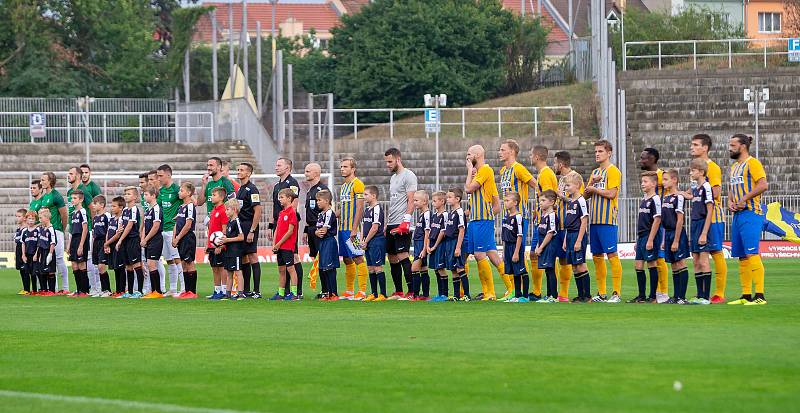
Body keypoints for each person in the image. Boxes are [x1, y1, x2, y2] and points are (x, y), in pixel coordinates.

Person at [726, 134, 769, 306]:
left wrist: (744, 199)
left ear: (742, 146)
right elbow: (731, 188)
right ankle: (746, 295)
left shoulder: (753, 163)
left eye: (733, 145)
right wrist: (729, 201)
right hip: (738, 215)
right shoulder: (735, 166)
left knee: (752, 253)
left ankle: (760, 295)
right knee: (742, 257)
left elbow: (763, 184)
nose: (730, 148)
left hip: (751, 213)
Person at [584, 140, 623, 303]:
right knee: (597, 256)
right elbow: (585, 195)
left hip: (608, 219)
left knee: (612, 254)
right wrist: (591, 184)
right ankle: (601, 293)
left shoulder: (613, 171)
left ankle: (616, 292)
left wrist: (595, 189)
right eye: (596, 152)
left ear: (609, 153)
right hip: (594, 220)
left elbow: (612, 193)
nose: (597, 154)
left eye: (600, 151)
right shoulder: (594, 173)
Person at [690, 134, 728, 303]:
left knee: (716, 252)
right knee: (699, 255)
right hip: (700, 218)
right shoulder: (696, 168)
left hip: (713, 217)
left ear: (705, 148)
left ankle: (719, 292)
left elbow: (717, 192)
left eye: (695, 144)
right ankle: (702, 293)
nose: (692, 147)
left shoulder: (712, 167)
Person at [498, 140, 537, 301]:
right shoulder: (503, 171)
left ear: (512, 151)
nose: (499, 152)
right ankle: (515, 291)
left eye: (503, 150)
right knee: (509, 255)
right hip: (508, 217)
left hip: (520, 216)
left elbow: (535, 184)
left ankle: (524, 292)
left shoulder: (519, 168)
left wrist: (539, 206)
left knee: (518, 253)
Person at [464, 145, 504, 301]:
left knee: (481, 254)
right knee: (487, 254)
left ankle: (490, 292)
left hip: (482, 220)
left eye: (469, 154)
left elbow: (468, 189)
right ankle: (503, 289)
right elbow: (494, 200)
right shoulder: (479, 173)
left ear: (478, 154)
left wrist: (469, 171)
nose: (467, 157)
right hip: (476, 220)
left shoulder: (486, 170)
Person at [383, 148, 418, 299]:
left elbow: (411, 200)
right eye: (386, 162)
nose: (388, 165)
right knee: (391, 256)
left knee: (403, 255)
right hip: (392, 222)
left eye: (390, 161)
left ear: (398, 159)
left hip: (402, 222)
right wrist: (387, 223)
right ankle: (398, 291)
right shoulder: (393, 178)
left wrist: (406, 220)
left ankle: (411, 291)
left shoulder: (408, 176)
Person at [268, 158, 304, 298]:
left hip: (288, 223)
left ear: (288, 167)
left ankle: (297, 292)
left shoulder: (292, 183)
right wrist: (272, 225)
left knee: (293, 257)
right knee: (283, 264)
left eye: (279, 165)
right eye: (276, 165)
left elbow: (294, 203)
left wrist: (290, 217)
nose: (276, 167)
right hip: (279, 223)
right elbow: (274, 206)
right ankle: (285, 291)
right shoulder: (278, 185)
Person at [638, 148, 670, 303]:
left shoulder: (662, 175)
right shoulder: (646, 179)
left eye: (643, 158)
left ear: (652, 159)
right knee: (652, 259)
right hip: (648, 221)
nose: (641, 161)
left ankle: (662, 291)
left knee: (660, 258)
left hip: (661, 221)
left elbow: (672, 187)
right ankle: (652, 292)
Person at [553, 151, 583, 302]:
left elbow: (577, 199)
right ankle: (562, 294)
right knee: (562, 259)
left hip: (571, 227)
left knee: (574, 261)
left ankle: (567, 293)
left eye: (554, 163)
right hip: (561, 225)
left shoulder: (575, 178)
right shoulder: (561, 180)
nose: (554, 166)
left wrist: (561, 196)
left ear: (560, 164)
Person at [336, 157, 368, 300]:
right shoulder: (343, 186)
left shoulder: (358, 184)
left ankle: (362, 291)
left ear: (353, 169)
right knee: (347, 259)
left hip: (352, 228)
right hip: (342, 227)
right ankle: (349, 291)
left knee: (358, 257)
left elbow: (360, 208)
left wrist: (354, 229)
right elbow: (343, 208)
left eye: (345, 167)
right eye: (341, 167)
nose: (342, 169)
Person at [629, 171, 662, 304]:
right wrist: (639, 240)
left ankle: (653, 296)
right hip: (642, 236)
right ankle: (641, 295)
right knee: (638, 265)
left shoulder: (655, 199)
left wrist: (650, 239)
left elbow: (657, 219)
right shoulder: (644, 200)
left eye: (645, 181)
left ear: (653, 183)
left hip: (650, 236)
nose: (642, 184)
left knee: (651, 263)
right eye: (642, 181)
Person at [529, 145, 557, 301]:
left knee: (546, 259)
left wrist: (542, 215)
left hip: (545, 222)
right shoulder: (543, 173)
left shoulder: (546, 174)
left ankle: (549, 293)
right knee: (536, 254)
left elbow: (548, 197)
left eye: (531, 155)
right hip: (541, 219)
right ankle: (539, 291)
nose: (530, 157)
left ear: (537, 157)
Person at [687, 159, 714, 305]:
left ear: (701, 172)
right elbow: (689, 195)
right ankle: (699, 295)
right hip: (694, 225)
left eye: (693, 170)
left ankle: (706, 296)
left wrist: (704, 233)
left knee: (704, 261)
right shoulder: (696, 189)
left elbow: (710, 209)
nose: (691, 172)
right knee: (696, 261)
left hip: (703, 224)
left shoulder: (706, 187)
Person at [661, 169, 690, 304]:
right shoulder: (666, 198)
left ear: (674, 180)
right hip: (668, 233)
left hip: (676, 233)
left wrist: (676, 240)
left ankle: (682, 297)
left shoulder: (678, 197)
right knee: (673, 264)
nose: (663, 182)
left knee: (680, 263)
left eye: (666, 179)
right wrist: (663, 239)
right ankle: (675, 295)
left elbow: (680, 219)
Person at [235, 162, 262, 298]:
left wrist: (252, 230)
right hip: (241, 226)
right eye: (238, 169)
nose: (239, 171)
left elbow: (257, 210)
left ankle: (257, 290)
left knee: (252, 256)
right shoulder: (240, 189)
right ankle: (246, 290)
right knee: (244, 257)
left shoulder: (252, 189)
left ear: (249, 173)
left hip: (249, 226)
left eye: (242, 170)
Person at [156, 164, 184, 298]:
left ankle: (183, 289)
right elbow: (159, 208)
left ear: (168, 175)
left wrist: (180, 215)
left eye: (160, 175)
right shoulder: (161, 192)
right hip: (163, 230)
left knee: (178, 260)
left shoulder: (177, 190)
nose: (159, 178)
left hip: (173, 230)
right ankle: (173, 289)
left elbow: (190, 202)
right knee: (169, 260)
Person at [563, 173, 591, 302]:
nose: (566, 188)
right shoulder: (571, 202)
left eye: (568, 185)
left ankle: (587, 295)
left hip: (577, 235)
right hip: (570, 235)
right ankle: (580, 295)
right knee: (574, 266)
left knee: (580, 265)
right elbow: (568, 223)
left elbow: (584, 220)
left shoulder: (581, 201)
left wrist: (579, 240)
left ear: (577, 185)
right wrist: (565, 239)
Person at [40, 172, 68, 293]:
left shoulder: (56, 196)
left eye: (43, 180)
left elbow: (64, 214)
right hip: (48, 230)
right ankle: (54, 288)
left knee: (60, 258)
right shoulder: (45, 196)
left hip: (56, 230)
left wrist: (61, 229)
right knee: (51, 260)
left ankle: (65, 287)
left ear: (50, 181)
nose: (41, 182)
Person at [303, 163, 328, 296]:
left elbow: (327, 211)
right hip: (311, 229)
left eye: (308, 171)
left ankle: (327, 290)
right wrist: (306, 230)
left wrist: (322, 228)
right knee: (316, 259)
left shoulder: (322, 190)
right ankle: (323, 290)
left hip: (319, 229)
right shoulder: (310, 190)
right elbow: (310, 213)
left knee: (322, 259)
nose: (305, 173)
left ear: (316, 173)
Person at [271, 188, 300, 300]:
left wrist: (279, 243)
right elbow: (277, 228)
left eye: (282, 197)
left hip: (287, 246)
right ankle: (281, 293)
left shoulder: (292, 212)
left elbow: (290, 231)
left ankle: (294, 293)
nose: (280, 200)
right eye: (279, 197)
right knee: (281, 270)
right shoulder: (281, 213)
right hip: (279, 246)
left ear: (289, 198)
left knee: (291, 269)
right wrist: (274, 244)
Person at [117, 187, 145, 299]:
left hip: (133, 239)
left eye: (129, 194)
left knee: (136, 264)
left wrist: (120, 239)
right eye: (125, 193)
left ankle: (139, 291)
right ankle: (130, 291)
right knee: (128, 266)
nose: (126, 196)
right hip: (125, 240)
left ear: (135, 197)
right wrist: (119, 230)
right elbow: (122, 225)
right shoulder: (124, 210)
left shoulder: (134, 209)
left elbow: (129, 226)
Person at [362, 186, 388, 301]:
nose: (364, 197)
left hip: (376, 241)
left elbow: (375, 227)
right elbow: (364, 225)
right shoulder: (367, 209)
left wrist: (366, 240)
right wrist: (363, 240)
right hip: (367, 241)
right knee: (370, 268)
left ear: (373, 195)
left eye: (366, 194)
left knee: (378, 267)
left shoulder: (377, 208)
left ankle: (383, 294)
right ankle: (374, 293)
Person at [501, 192, 528, 303]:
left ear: (515, 203)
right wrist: (503, 251)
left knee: (521, 270)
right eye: (505, 200)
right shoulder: (506, 216)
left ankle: (525, 296)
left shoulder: (518, 217)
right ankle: (517, 295)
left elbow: (519, 235)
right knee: (514, 272)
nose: (505, 203)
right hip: (508, 247)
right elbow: (504, 235)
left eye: (508, 201)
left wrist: (516, 252)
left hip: (515, 247)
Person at [534, 190, 559, 303]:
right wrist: (538, 246)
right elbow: (541, 232)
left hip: (550, 246)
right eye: (540, 201)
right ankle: (549, 295)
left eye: (543, 200)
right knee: (547, 270)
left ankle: (553, 296)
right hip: (543, 245)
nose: (541, 203)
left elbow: (550, 233)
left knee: (550, 269)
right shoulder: (543, 216)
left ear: (552, 202)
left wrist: (541, 247)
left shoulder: (552, 215)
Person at [173, 182, 198, 299]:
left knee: (189, 262)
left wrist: (178, 237)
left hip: (187, 237)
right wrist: (174, 237)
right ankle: (186, 291)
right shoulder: (181, 207)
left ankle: (192, 291)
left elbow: (188, 225)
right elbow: (177, 223)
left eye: (182, 191)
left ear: (188, 193)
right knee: (183, 263)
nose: (179, 192)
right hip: (180, 238)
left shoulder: (190, 206)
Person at [444, 187, 469, 301]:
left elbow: (462, 230)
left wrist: (458, 247)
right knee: (453, 269)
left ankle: (467, 295)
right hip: (450, 243)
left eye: (450, 197)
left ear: (457, 199)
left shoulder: (459, 212)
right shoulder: (451, 213)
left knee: (459, 268)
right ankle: (456, 295)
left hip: (456, 242)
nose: (447, 199)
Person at [314, 190, 339, 300]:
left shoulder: (329, 213)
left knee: (330, 268)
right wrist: (316, 232)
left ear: (327, 201)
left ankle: (334, 293)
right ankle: (328, 293)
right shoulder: (321, 214)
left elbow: (323, 230)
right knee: (324, 268)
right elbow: (317, 230)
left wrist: (319, 232)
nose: (317, 202)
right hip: (323, 242)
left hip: (329, 241)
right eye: (316, 200)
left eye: (319, 200)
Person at [141, 186, 165, 299]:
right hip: (148, 240)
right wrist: (143, 238)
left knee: (152, 264)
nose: (144, 196)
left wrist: (146, 239)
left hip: (155, 239)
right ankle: (153, 290)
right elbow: (145, 226)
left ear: (153, 195)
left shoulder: (156, 208)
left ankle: (158, 291)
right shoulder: (148, 210)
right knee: (150, 265)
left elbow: (156, 226)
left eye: (146, 194)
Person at [206, 187, 230, 300]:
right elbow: (211, 229)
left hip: (220, 245)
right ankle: (217, 291)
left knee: (221, 268)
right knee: (214, 268)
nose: (212, 197)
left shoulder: (223, 210)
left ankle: (225, 291)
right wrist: (209, 244)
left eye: (214, 195)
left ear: (221, 197)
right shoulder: (214, 210)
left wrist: (220, 245)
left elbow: (224, 230)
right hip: (212, 245)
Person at [220, 199, 246, 300]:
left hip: (236, 251)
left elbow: (241, 237)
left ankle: (240, 293)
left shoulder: (237, 221)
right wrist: (222, 242)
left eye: (227, 209)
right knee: (229, 272)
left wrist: (227, 240)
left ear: (234, 210)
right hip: (229, 251)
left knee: (238, 271)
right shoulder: (229, 222)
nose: (225, 212)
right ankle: (228, 294)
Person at [410, 190, 432, 300]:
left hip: (421, 246)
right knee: (423, 269)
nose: (414, 202)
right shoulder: (422, 214)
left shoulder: (427, 214)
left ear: (424, 201)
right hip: (419, 245)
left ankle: (415, 295)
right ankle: (426, 295)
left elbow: (427, 233)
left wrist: (424, 249)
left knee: (414, 269)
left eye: (416, 200)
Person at [68, 189, 90, 296]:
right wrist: (69, 245)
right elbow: (72, 231)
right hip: (74, 240)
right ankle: (78, 289)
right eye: (71, 198)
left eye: (75, 198)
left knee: (81, 265)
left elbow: (85, 228)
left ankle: (84, 290)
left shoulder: (83, 211)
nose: (72, 200)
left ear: (81, 199)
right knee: (74, 265)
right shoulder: (73, 213)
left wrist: (81, 245)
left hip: (81, 239)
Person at [90, 195, 112, 297]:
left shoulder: (107, 216)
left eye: (95, 203)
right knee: (97, 267)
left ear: (102, 205)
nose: (93, 206)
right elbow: (94, 233)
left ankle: (107, 290)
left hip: (104, 241)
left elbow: (109, 230)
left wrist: (107, 244)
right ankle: (100, 290)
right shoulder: (95, 218)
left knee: (101, 266)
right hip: (96, 243)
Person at [428, 191, 448, 302]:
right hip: (432, 244)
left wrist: (435, 245)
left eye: (435, 201)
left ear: (442, 201)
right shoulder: (434, 215)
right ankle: (440, 294)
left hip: (440, 245)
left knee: (441, 268)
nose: (433, 203)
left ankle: (444, 294)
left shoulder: (445, 215)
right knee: (436, 269)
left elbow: (442, 231)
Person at [105, 197, 126, 297]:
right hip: (111, 246)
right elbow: (108, 232)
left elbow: (118, 234)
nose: (112, 208)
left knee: (121, 268)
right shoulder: (111, 219)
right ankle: (118, 291)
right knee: (116, 268)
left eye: (114, 206)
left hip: (119, 246)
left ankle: (122, 290)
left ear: (121, 207)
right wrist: (107, 244)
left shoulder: (122, 219)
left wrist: (107, 243)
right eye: (111, 206)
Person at [34, 209, 57, 295]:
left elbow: (53, 242)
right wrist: (37, 253)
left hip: (48, 251)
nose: (39, 220)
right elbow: (39, 242)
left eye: (41, 218)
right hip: (42, 252)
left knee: (50, 270)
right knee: (42, 271)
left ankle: (52, 290)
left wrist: (50, 254)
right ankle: (44, 289)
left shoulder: (51, 229)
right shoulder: (42, 229)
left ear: (47, 218)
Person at [21, 211, 40, 294]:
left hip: (34, 255)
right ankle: (28, 290)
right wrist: (23, 255)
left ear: (35, 220)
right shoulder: (24, 231)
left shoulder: (38, 230)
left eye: (33, 219)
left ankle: (35, 290)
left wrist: (36, 254)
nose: (31, 220)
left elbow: (39, 243)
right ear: (26, 220)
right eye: (29, 218)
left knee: (34, 273)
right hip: (27, 255)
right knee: (26, 272)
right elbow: (23, 243)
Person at [14, 209, 28, 294]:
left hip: (24, 250)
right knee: (21, 270)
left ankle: (27, 289)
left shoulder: (26, 229)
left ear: (24, 218)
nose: (17, 218)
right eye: (17, 216)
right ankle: (24, 288)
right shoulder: (18, 228)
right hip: (18, 250)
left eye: (19, 216)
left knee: (25, 269)